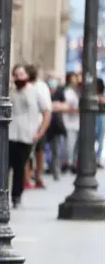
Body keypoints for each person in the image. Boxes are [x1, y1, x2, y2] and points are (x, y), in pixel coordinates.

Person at [8, 64, 51, 208]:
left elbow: (46, 112)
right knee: (5, 166)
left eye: (21, 74)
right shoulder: (10, 92)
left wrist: (40, 132)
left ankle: (16, 195)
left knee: (20, 166)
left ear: (27, 76)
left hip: (27, 135)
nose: (19, 77)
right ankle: (2, 194)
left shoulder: (35, 92)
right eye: (16, 74)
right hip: (10, 134)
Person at [24, 64, 52, 189]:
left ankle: (34, 178)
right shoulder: (33, 87)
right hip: (30, 125)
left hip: (37, 124)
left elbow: (47, 109)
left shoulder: (40, 87)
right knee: (30, 153)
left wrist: (41, 130)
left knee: (37, 152)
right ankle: (30, 178)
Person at [61, 72, 81, 174]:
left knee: (75, 146)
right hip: (69, 123)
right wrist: (75, 110)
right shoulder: (67, 92)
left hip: (77, 123)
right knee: (69, 145)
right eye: (72, 79)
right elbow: (66, 107)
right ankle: (67, 164)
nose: (75, 81)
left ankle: (73, 163)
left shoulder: (77, 92)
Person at [95, 78, 105, 168]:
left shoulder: (103, 94)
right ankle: (94, 158)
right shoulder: (93, 94)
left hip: (101, 116)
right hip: (93, 117)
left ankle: (98, 159)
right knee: (93, 137)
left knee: (100, 138)